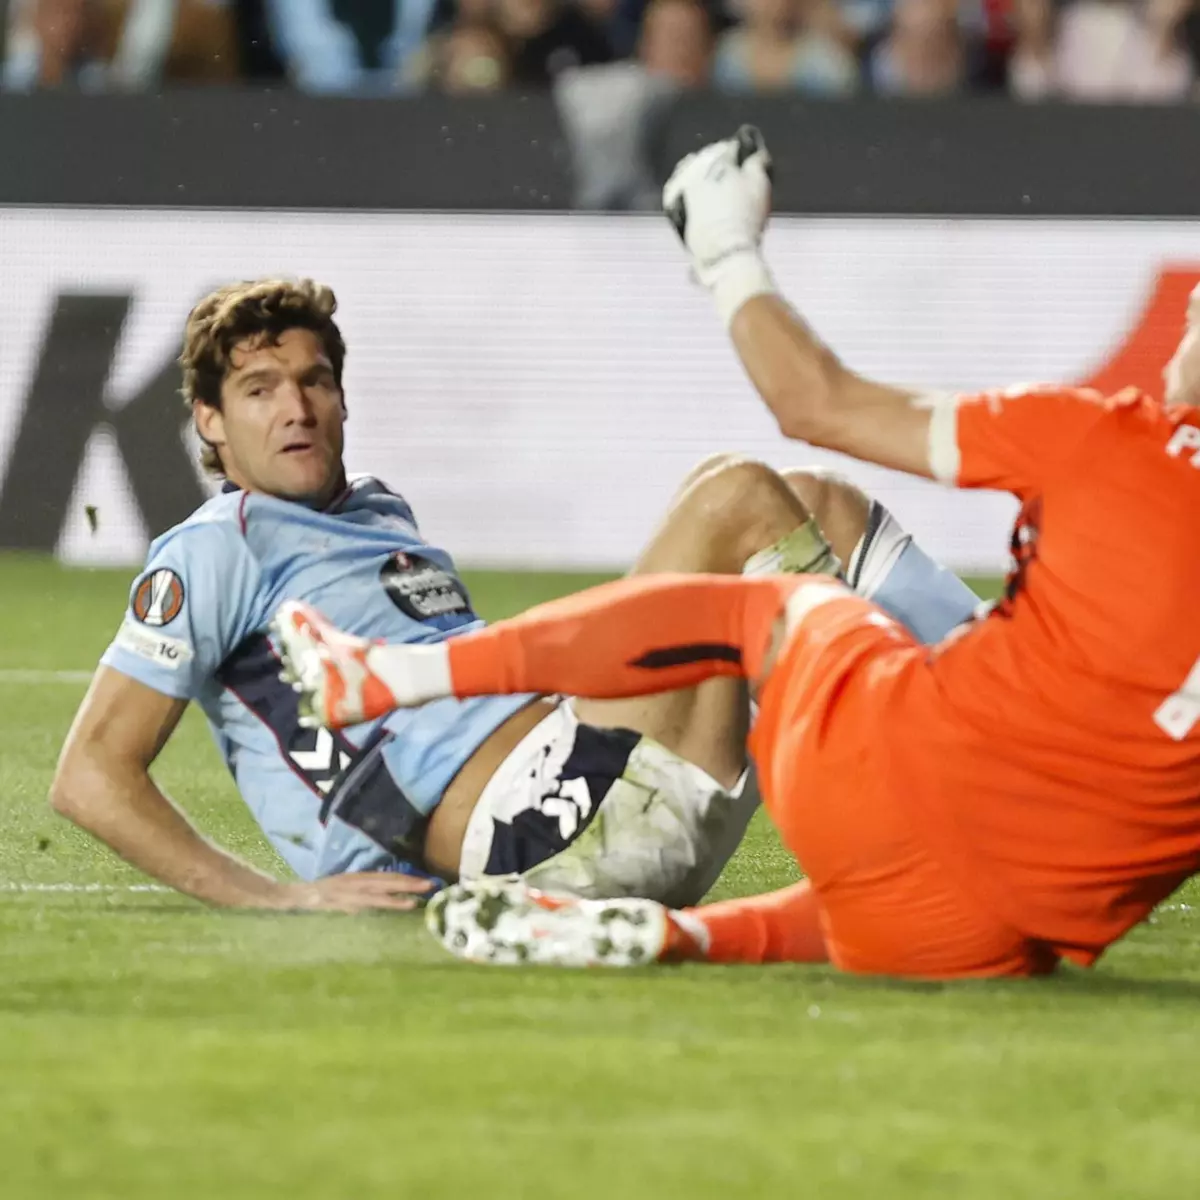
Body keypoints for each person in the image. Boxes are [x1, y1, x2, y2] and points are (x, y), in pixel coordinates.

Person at [279, 127, 1200, 977]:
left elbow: (816, 401)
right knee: (822, 510)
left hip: (875, 781)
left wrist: (724, 245)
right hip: (990, 936)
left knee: (751, 560)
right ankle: (692, 935)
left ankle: (394, 676)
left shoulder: (1115, 443)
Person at [48, 276, 978, 914]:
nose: (296, 407)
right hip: (535, 833)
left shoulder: (379, 511)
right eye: (259, 390)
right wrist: (272, 898)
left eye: (314, 381)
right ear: (209, 422)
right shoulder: (216, 547)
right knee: (736, 495)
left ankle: (1000, 703)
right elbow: (89, 774)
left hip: (599, 778)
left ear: (341, 397)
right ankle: (942, 782)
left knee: (817, 501)